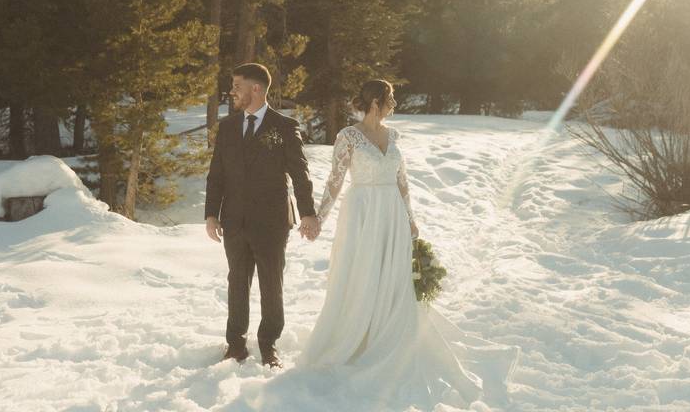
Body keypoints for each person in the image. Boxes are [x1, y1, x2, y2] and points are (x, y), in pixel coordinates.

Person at [295, 79, 518, 406]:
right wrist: (318, 218)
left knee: (395, 278)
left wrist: (410, 217)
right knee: (364, 274)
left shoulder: (393, 136)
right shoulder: (348, 137)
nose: (395, 105)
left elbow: (403, 183)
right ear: (376, 102)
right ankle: (359, 335)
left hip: (392, 215)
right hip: (363, 215)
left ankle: (391, 331)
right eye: (391, 99)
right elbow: (335, 180)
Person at [204, 62, 320, 368]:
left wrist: (308, 213)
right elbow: (216, 174)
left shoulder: (283, 126)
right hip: (234, 219)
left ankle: (268, 344)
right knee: (237, 281)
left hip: (271, 221)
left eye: (237, 86)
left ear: (256, 89)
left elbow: (300, 173)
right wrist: (211, 214)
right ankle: (235, 344)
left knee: (271, 283)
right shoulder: (228, 127)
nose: (232, 92)